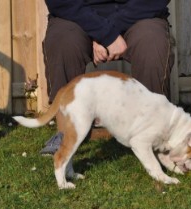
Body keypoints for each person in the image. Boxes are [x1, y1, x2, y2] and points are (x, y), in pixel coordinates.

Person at [41, 0, 174, 155]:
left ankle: (154, 132)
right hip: (78, 17)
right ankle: (65, 132)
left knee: (153, 42)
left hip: (136, 15)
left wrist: (108, 33)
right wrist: (105, 33)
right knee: (63, 41)